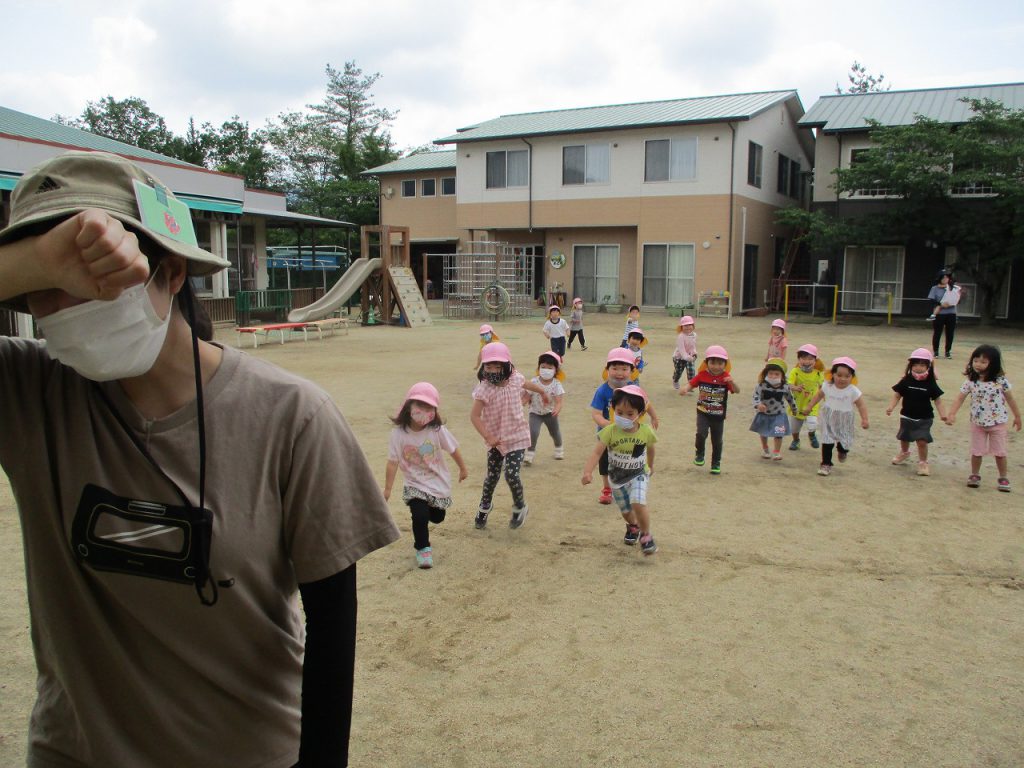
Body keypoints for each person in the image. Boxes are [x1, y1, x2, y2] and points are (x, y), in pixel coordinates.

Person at [0, 150, 401, 768]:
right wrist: (34, 258)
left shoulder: (292, 416)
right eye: (45, 290)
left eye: (96, 275)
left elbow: (332, 624)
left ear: (172, 271)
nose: (67, 304)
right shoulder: (29, 391)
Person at [384, 382, 468, 568]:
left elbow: (453, 449)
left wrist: (462, 468)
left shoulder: (436, 430)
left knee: (437, 517)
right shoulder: (398, 434)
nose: (424, 411)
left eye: (429, 407)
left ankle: (428, 511)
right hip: (414, 483)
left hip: (437, 481)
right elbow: (392, 462)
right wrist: (388, 489)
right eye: (420, 405)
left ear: (435, 411)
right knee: (419, 515)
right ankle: (423, 548)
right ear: (409, 406)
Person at [470, 341, 548, 529]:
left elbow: (526, 383)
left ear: (506, 365)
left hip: (517, 437)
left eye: (497, 366)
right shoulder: (484, 389)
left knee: (511, 474)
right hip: (496, 440)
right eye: (488, 366)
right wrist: (488, 437)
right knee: (492, 477)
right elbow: (474, 416)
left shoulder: (515, 379)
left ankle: (520, 507)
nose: (493, 370)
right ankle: (484, 506)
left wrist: (542, 391)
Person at [582, 384, 658, 554]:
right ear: (613, 410)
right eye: (619, 412)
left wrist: (651, 465)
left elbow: (651, 449)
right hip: (616, 479)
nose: (623, 417)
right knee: (626, 511)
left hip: (639, 474)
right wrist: (587, 472)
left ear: (640, 413)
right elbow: (597, 452)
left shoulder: (645, 432)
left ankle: (646, 536)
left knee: (638, 502)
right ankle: (633, 526)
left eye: (630, 414)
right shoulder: (610, 431)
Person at [944, 344, 1021, 491]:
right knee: (976, 451)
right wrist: (952, 413)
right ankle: (975, 475)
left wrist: (1017, 416)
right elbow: (960, 398)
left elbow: (1010, 399)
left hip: (997, 423)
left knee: (1000, 452)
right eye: (975, 361)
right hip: (977, 423)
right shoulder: (971, 381)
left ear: (993, 364)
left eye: (983, 362)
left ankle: (1003, 477)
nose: (978, 364)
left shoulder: (1000, 381)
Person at [590, 348, 660, 504]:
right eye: (615, 368)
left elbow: (646, 404)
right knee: (605, 462)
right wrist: (609, 426)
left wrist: (654, 417)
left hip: (633, 433)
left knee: (633, 460)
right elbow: (596, 414)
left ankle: (632, 484)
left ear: (632, 371)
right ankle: (607, 489)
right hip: (608, 436)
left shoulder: (635, 390)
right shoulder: (602, 391)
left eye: (624, 369)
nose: (619, 373)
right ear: (607, 369)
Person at [802, 357, 869, 476]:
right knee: (827, 441)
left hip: (845, 419)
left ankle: (842, 450)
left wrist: (865, 419)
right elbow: (818, 396)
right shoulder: (827, 386)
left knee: (844, 441)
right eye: (839, 375)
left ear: (852, 377)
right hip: (829, 416)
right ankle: (826, 463)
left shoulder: (853, 391)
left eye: (847, 376)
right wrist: (809, 406)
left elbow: (861, 405)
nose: (842, 379)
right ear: (832, 374)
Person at [885, 349, 948, 477]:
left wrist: (943, 414)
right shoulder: (906, 380)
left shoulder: (930, 382)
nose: (918, 368)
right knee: (904, 437)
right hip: (907, 415)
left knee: (922, 441)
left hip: (924, 418)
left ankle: (923, 462)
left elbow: (938, 401)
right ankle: (904, 452)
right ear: (910, 365)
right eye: (915, 364)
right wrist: (891, 407)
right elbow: (897, 395)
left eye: (922, 365)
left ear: (928, 366)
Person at [680, 345, 739, 475]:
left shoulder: (726, 377)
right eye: (712, 362)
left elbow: (736, 390)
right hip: (703, 413)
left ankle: (716, 463)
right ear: (706, 363)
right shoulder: (702, 375)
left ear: (725, 364)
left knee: (717, 440)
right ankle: (699, 453)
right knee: (701, 434)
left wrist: (732, 382)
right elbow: (692, 384)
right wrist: (685, 388)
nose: (716, 366)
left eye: (720, 363)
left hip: (718, 415)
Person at [749, 358, 797, 460]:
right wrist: (758, 405)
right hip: (764, 413)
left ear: (782, 376)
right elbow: (756, 396)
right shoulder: (762, 385)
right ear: (766, 374)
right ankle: (765, 449)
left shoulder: (785, 387)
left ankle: (776, 452)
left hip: (779, 414)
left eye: (776, 374)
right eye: (770, 373)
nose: (773, 376)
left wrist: (794, 409)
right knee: (763, 432)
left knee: (779, 433)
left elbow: (790, 398)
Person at [523, 351, 566, 465]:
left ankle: (559, 448)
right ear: (538, 368)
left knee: (554, 432)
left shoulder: (556, 384)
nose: (546, 370)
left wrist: (557, 408)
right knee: (533, 432)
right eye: (543, 367)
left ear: (556, 370)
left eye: (550, 368)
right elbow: (526, 396)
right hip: (535, 413)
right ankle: (530, 453)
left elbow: (559, 401)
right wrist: (520, 404)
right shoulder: (534, 381)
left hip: (550, 414)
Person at [787, 343, 824, 450]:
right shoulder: (795, 371)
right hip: (796, 404)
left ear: (815, 360)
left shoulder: (818, 373)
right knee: (794, 428)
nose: (806, 361)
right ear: (798, 359)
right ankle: (796, 440)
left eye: (810, 359)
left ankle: (811, 435)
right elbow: (788, 384)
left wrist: (826, 395)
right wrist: (795, 387)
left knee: (812, 423)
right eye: (803, 358)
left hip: (812, 403)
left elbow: (823, 387)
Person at [928, 268, 961, 359]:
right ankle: (936, 351)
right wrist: (941, 304)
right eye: (943, 277)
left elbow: (958, 299)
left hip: (951, 313)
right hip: (940, 313)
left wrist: (954, 301)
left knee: (950, 333)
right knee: (937, 332)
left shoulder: (953, 288)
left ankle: (948, 351)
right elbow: (931, 300)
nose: (945, 279)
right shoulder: (935, 288)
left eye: (947, 277)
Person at [671, 315, 698, 390]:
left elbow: (693, 346)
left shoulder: (694, 335)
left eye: (690, 325)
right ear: (681, 327)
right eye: (685, 325)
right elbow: (682, 350)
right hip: (679, 357)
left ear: (693, 326)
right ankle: (675, 380)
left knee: (691, 371)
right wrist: (688, 358)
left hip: (689, 356)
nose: (688, 327)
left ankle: (690, 385)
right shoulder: (681, 336)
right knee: (678, 372)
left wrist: (694, 353)